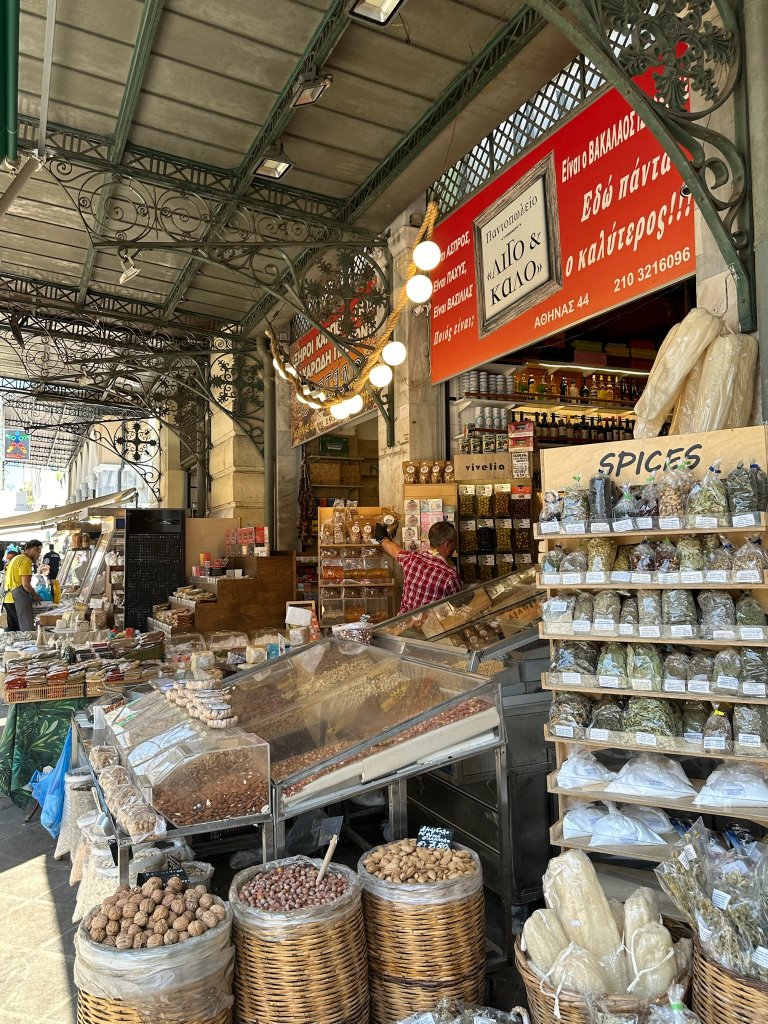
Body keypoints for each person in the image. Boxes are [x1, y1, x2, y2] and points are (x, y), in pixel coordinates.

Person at [376, 520, 461, 614]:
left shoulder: (412, 559)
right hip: (432, 627)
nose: (456, 545)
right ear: (447, 544)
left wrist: (382, 538)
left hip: (404, 624)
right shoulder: (450, 576)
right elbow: (458, 610)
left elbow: (392, 549)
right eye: (455, 542)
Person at [3, 539, 43, 631]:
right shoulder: (26, 561)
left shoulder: (17, 558)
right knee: (24, 631)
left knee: (14, 631)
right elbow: (26, 584)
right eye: (38, 553)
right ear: (34, 549)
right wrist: (35, 595)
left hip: (8, 599)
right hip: (15, 599)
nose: (38, 556)